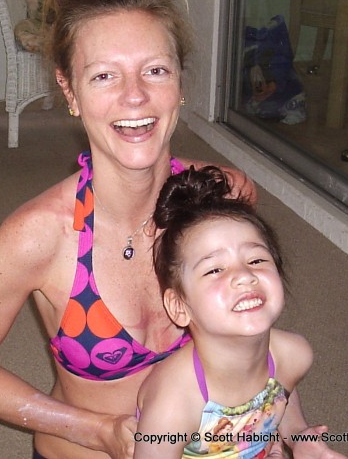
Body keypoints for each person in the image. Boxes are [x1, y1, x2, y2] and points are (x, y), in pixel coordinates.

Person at [0, 0, 346, 459]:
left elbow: (249, 343)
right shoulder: (37, 236)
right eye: (105, 75)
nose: (135, 96)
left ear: (180, 83)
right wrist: (96, 430)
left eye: (155, 70)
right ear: (70, 91)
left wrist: (296, 435)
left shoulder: (225, 195)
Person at [134, 165, 318, 458]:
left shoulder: (294, 355)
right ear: (179, 307)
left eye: (257, 260)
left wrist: (299, 441)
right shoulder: (175, 401)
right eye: (215, 269)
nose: (245, 275)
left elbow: (281, 400)